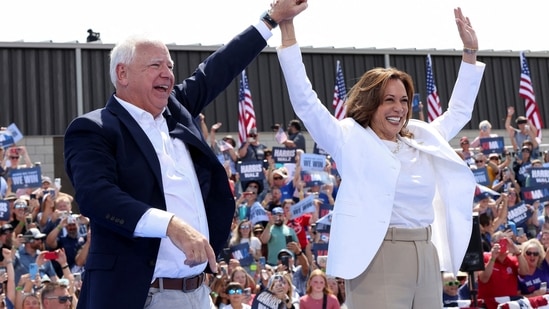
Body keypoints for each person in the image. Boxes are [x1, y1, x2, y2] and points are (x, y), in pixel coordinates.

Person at [62, 1, 308, 308]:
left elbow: (220, 67)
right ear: (122, 74)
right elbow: (96, 196)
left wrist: (270, 20)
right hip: (139, 295)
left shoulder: (176, 111)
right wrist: (170, 225)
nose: (167, 74)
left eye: (170, 67)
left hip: (198, 293)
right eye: (156, 66)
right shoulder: (93, 129)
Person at [276, 7, 484, 308]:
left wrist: (470, 52)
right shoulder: (349, 138)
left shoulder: (422, 137)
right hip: (377, 257)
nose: (399, 108)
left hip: (427, 254)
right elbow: (306, 103)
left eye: (403, 100)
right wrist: (287, 29)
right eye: (389, 100)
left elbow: (460, 112)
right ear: (370, 103)